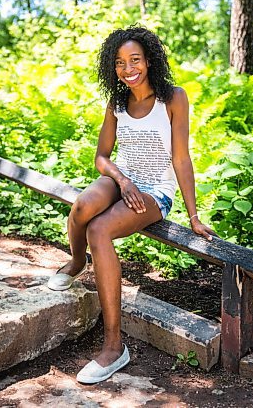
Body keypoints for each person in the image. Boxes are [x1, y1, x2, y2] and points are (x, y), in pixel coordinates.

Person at [47, 26, 216, 384]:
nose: (128, 69)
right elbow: (102, 157)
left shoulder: (173, 98)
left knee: (99, 229)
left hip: (156, 190)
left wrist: (195, 216)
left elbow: (181, 159)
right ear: (114, 67)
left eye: (135, 60)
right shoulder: (117, 103)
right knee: (82, 207)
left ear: (150, 60)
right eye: (120, 63)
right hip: (122, 179)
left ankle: (114, 347)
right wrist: (122, 181)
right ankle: (77, 262)